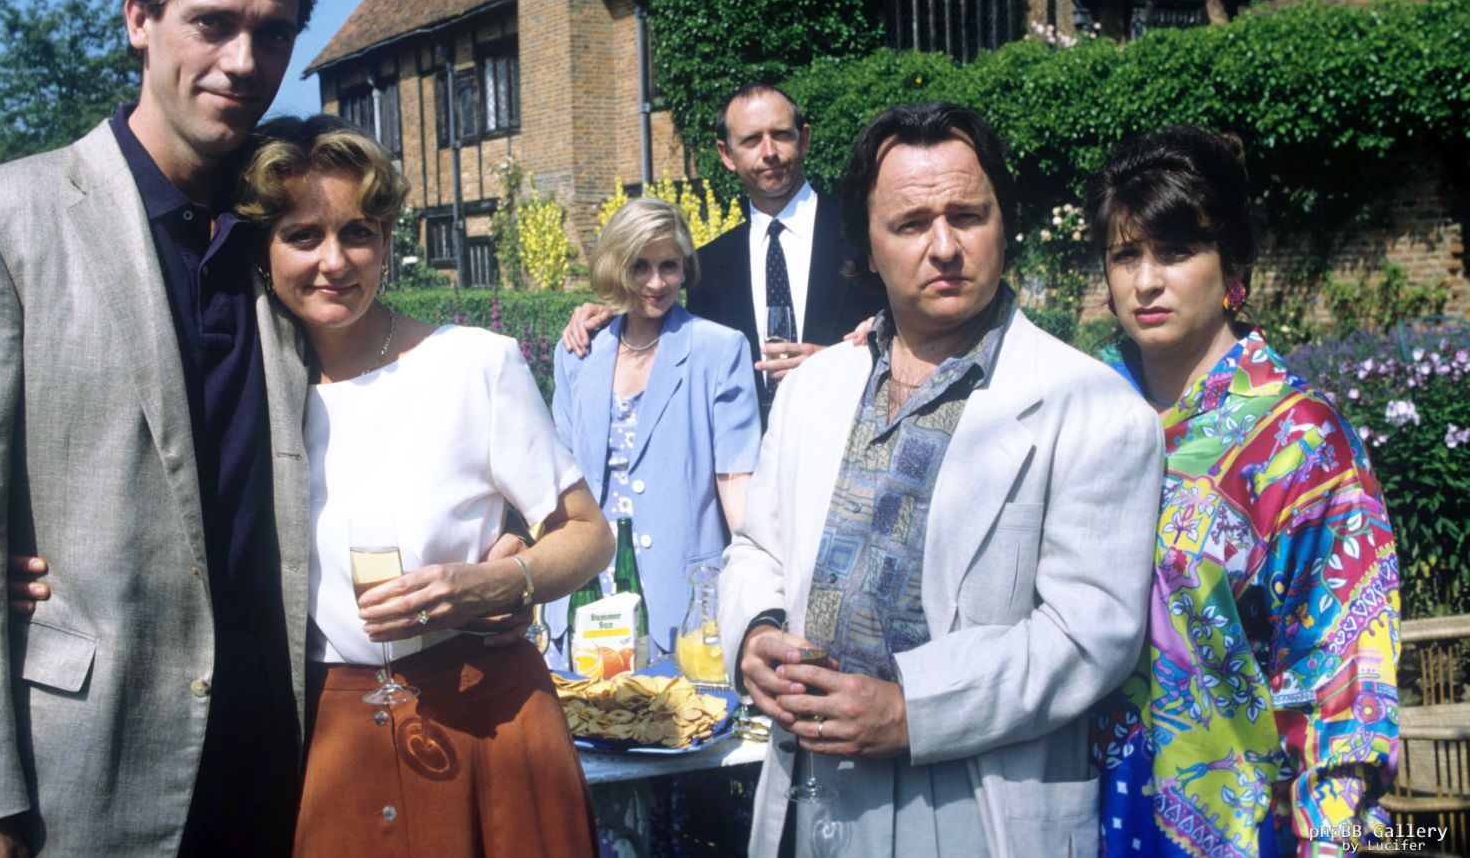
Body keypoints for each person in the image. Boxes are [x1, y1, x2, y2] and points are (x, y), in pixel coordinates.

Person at [0, 0, 323, 858]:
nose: (244, 60)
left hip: (280, 774)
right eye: (213, 22)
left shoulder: (285, 239)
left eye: (274, 32)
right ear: (139, 20)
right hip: (82, 781)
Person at [719, 101, 1166, 857]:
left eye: (968, 216)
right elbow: (759, 546)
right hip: (809, 788)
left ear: (1005, 225)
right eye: (911, 223)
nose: (945, 247)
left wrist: (913, 709)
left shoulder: (1092, 408)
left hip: (974, 799)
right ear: (867, 244)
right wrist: (755, 633)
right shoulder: (813, 389)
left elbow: (1090, 633)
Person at [218, 116, 610, 856]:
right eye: (303, 235)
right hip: (331, 738)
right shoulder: (246, 395)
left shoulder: (473, 365)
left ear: (387, 241)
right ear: (264, 250)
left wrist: (504, 583)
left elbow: (589, 535)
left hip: (489, 718)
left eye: (358, 233)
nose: (334, 261)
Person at [1085, 127, 1400, 857]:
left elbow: (1342, 683)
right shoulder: (1077, 407)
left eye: (1175, 251)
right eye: (1126, 255)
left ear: (1232, 262)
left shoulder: (1300, 442)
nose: (1145, 281)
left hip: (1237, 828)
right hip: (1065, 820)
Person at [562, 83, 878, 424]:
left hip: (849, 434)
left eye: (781, 135)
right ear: (727, 154)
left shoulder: (866, 234)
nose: (769, 152)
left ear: (804, 140)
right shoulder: (708, 265)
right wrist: (610, 315)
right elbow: (670, 330)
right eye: (751, 140)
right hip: (746, 450)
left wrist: (838, 365)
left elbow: (913, 333)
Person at [547, 197, 761, 662]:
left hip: (678, 607)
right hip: (585, 597)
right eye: (640, 266)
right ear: (616, 266)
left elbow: (736, 482)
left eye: (669, 266)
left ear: (685, 268)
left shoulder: (719, 350)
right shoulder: (578, 352)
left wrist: (759, 594)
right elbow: (557, 480)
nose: (657, 283)